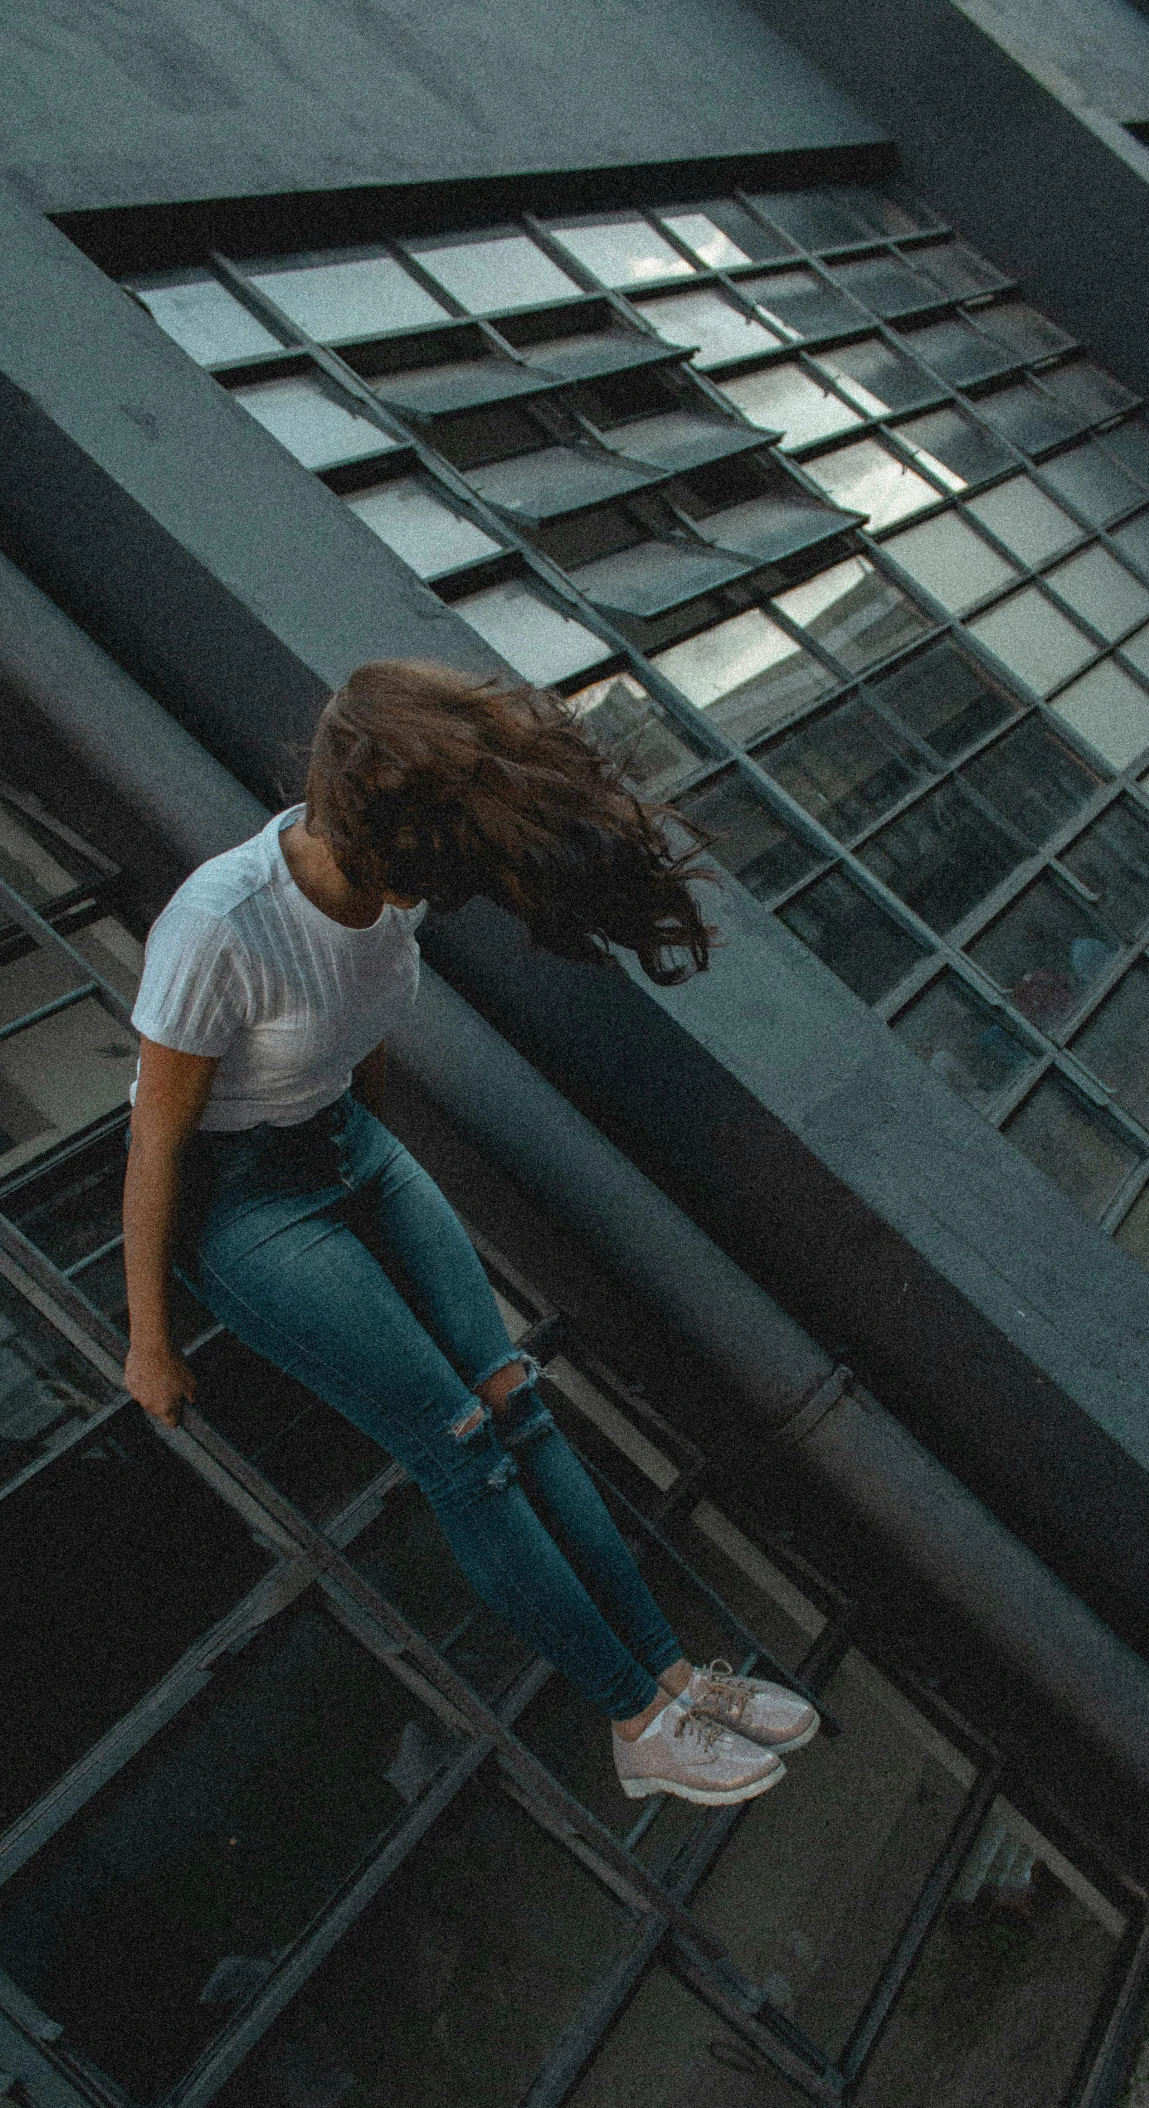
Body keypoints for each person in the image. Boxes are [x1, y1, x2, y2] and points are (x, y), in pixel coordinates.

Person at [122, 658, 818, 1806]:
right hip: (241, 1201)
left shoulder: (398, 882)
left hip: (348, 1148)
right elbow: (156, 1145)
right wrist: (148, 1334)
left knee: (519, 1404)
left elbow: (358, 1022)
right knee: (464, 1453)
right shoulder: (219, 928)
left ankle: (680, 1674)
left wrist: (380, 1168)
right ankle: (639, 1721)